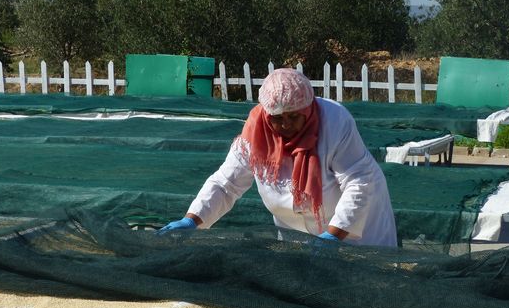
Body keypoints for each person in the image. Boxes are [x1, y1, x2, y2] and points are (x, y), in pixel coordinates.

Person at [158, 68, 397, 247]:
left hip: (358, 232)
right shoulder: (255, 133)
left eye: (294, 117)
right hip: (297, 234)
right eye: (277, 118)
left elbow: (359, 182)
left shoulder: (335, 122)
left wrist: (333, 235)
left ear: (307, 110)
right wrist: (192, 220)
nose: (285, 125)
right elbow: (226, 184)